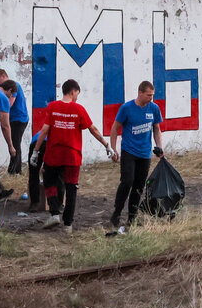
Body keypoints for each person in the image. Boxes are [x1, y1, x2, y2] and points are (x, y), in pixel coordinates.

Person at [32, 79, 113, 234]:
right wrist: (106, 145)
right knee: (71, 189)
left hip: (53, 155)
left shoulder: (52, 107)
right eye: (77, 94)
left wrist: (36, 151)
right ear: (73, 91)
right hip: (72, 156)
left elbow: (44, 130)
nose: (77, 97)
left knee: (49, 183)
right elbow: (93, 129)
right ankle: (68, 225)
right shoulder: (78, 109)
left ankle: (54, 213)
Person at [108, 81, 165, 235]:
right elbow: (115, 128)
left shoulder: (154, 108)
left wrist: (159, 146)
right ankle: (117, 212)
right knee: (127, 182)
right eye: (148, 95)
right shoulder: (126, 108)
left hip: (145, 153)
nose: (151, 98)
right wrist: (113, 149)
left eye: (153, 95)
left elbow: (157, 128)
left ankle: (132, 217)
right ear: (140, 93)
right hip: (129, 152)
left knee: (139, 186)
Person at [0, 69, 29, 174]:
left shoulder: (13, 86)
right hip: (14, 118)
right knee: (15, 143)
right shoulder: (8, 87)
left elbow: (9, 104)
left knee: (14, 144)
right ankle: (16, 169)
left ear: (3, 76)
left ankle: (14, 170)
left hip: (18, 119)